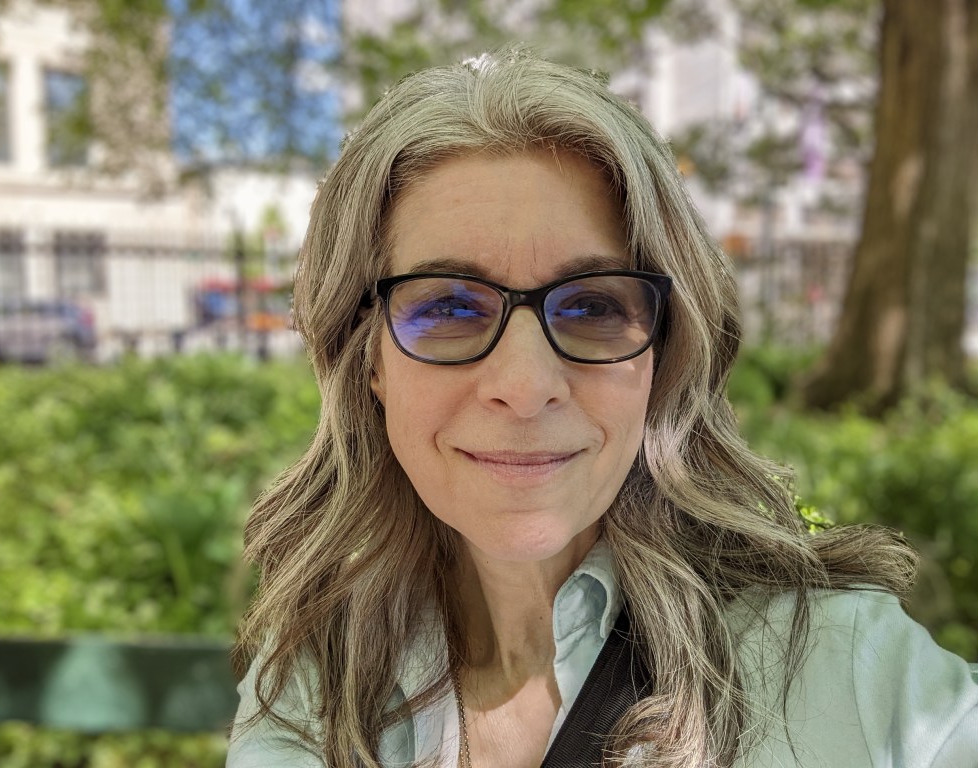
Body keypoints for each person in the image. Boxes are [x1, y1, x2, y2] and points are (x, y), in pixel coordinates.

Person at [226, 48, 978, 768]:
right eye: (449, 307)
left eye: (592, 306)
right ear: (369, 361)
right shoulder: (316, 682)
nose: (526, 386)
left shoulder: (849, 670)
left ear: (662, 356)